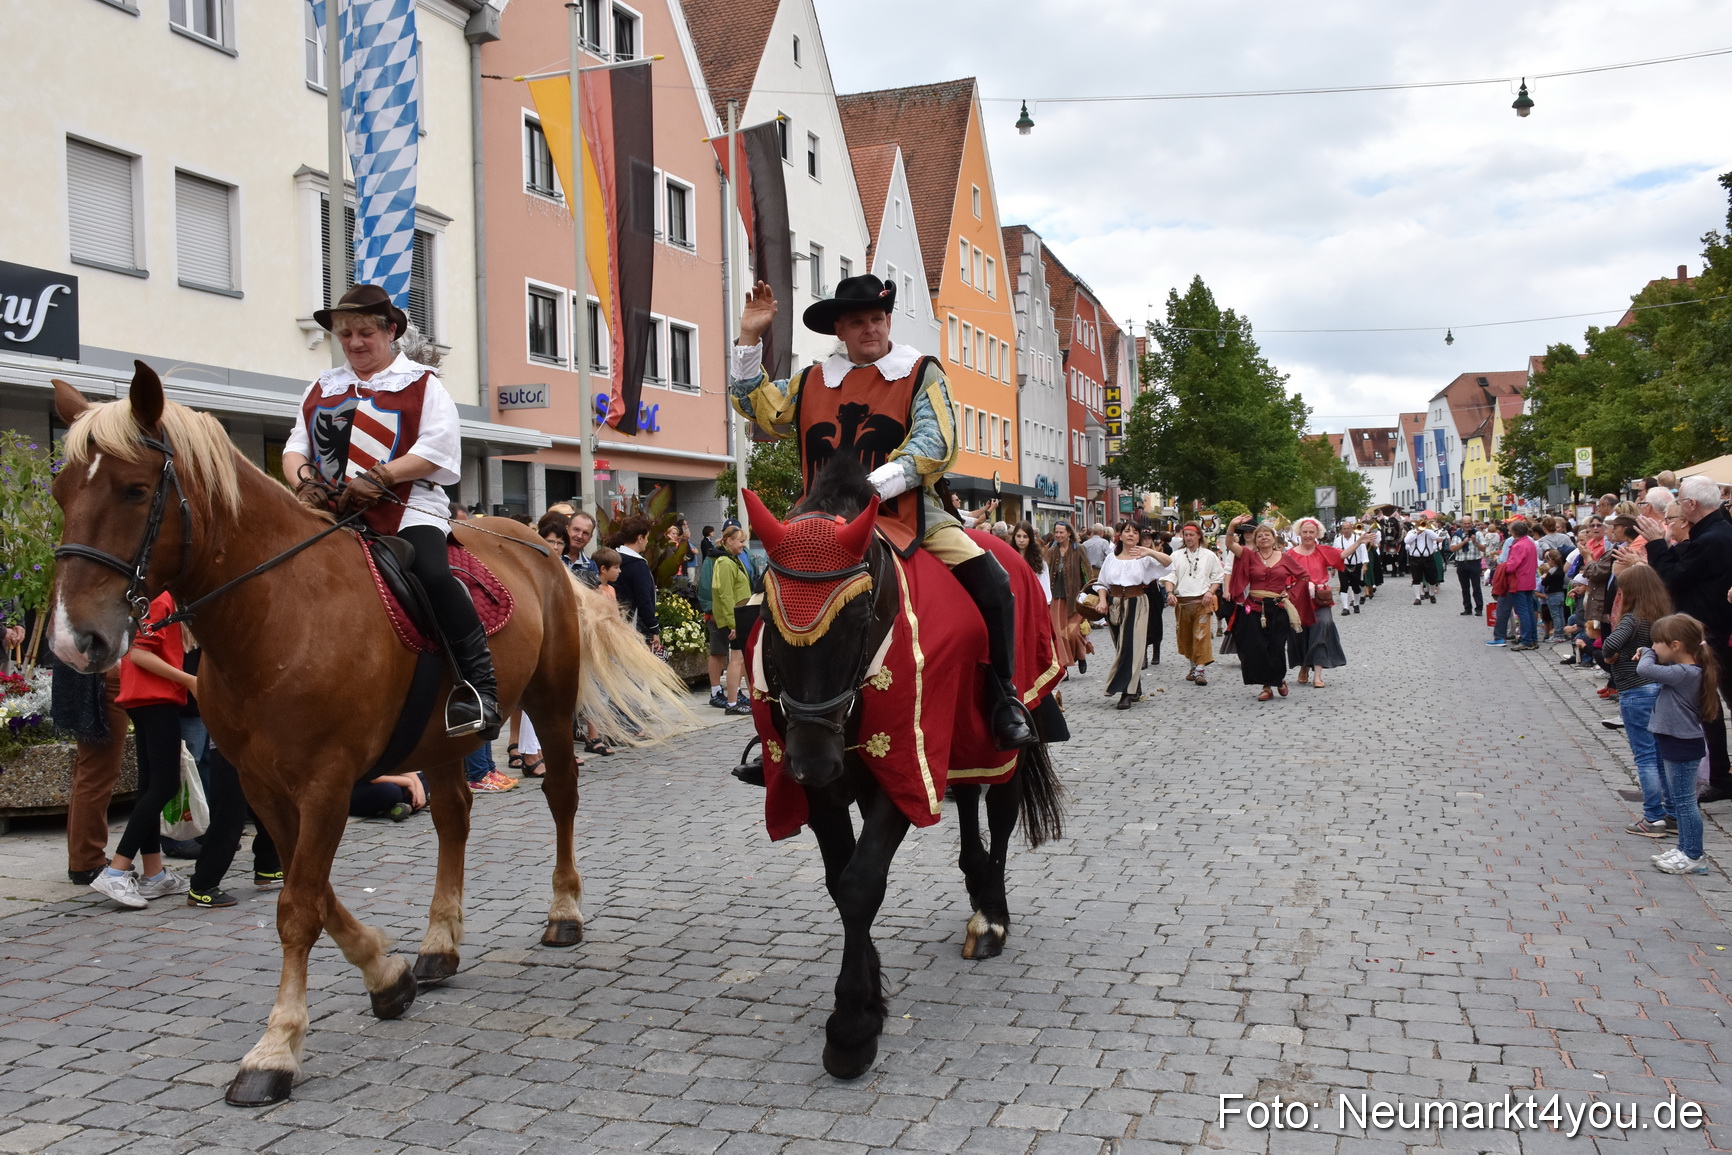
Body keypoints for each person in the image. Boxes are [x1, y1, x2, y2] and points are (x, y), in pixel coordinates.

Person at [729, 274, 1033, 747]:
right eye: (857, 322)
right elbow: (758, 407)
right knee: (756, 608)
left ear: (888, 320)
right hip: (820, 522)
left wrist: (867, 490)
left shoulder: (920, 372)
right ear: (840, 331)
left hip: (907, 510)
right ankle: (775, 724)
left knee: (992, 581)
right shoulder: (812, 380)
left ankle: (1003, 695)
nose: (871, 328)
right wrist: (750, 336)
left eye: (877, 318)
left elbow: (935, 442)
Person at [283, 284, 499, 741]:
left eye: (364, 332)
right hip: (332, 511)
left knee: (433, 575)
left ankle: (479, 687)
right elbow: (295, 448)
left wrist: (380, 478)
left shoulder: (422, 383)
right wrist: (304, 482)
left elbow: (437, 451)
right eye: (346, 335)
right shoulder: (322, 387)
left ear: (390, 331)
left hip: (408, 506)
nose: (355, 343)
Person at [88, 592, 193, 909]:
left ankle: (154, 873)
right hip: (155, 697)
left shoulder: (153, 597)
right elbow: (139, 655)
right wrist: (191, 681)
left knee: (151, 786)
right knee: (165, 784)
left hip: (143, 697)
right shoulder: (161, 599)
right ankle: (117, 870)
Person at [1641, 475, 1732, 803]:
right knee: (1710, 707)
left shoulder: (1715, 537)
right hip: (1710, 627)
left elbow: (1672, 578)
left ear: (1691, 505)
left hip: (1714, 630)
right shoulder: (1713, 532)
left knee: (1711, 705)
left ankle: (1721, 775)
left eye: (1681, 504)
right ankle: (1721, 774)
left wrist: (1655, 545)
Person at [1638, 613, 1719, 874]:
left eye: (1656, 643)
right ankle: (1684, 848)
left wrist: (1645, 652)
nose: (1654, 648)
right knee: (1680, 799)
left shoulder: (1684, 672)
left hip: (1682, 744)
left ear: (1675, 646)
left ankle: (1694, 855)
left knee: (1685, 802)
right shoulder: (1685, 671)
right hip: (1675, 741)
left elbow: (1644, 669)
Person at [1601, 565, 1675, 839]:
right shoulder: (1662, 617)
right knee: (1661, 755)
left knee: (1645, 757)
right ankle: (1673, 814)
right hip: (1659, 689)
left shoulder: (1633, 619)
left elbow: (1610, 644)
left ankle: (1653, 817)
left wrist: (1612, 658)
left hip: (1636, 691)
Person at [1224, 516, 1305, 701]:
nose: (1263, 538)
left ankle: (1279, 679)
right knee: (1258, 648)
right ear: (1256, 539)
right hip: (1254, 607)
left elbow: (1303, 576)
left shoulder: (1285, 558)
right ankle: (1267, 687)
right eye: (1259, 536)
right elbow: (1229, 544)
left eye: (1267, 534)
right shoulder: (1248, 555)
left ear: (1274, 538)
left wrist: (1290, 593)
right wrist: (1232, 525)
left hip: (1278, 607)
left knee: (1276, 647)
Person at [1286, 517, 1370, 689]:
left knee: (1323, 627)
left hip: (1320, 599)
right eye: (1305, 532)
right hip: (1298, 600)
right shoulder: (1291, 554)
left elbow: (1342, 555)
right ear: (1299, 534)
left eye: (1311, 532)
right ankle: (1303, 666)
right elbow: (1283, 574)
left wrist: (1360, 542)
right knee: (1300, 634)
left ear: (1318, 534)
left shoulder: (1322, 551)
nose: (1308, 535)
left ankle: (1317, 674)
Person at [1091, 523, 1168, 709]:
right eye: (1127, 531)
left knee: (1130, 646)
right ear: (1120, 535)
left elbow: (1168, 563)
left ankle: (1125, 692)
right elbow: (1101, 583)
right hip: (1115, 603)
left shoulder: (1143, 558)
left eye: (1135, 532)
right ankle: (1136, 686)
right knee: (1120, 646)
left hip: (1137, 602)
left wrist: (1149, 552)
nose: (1131, 535)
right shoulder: (1111, 558)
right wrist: (1102, 601)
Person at [1162, 523, 1225, 686]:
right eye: (1186, 535)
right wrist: (1169, 593)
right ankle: (1193, 667)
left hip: (1202, 602)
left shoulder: (1209, 555)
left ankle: (1200, 670)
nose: (1188, 538)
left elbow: (1217, 577)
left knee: (1201, 635)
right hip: (1182, 603)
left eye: (1191, 535)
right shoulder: (1176, 556)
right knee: (1186, 637)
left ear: (1199, 536)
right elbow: (1170, 576)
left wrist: (1210, 592)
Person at [710, 526, 754, 716]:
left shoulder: (732, 560)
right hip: (736, 617)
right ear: (729, 541)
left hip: (741, 615)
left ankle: (737, 698)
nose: (743, 544)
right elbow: (725, 594)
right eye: (740, 541)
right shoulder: (726, 563)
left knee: (741, 658)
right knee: (736, 660)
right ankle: (732, 702)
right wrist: (733, 623)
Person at [605, 514, 662, 651]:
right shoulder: (638, 565)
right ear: (640, 538)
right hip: (634, 627)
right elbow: (643, 600)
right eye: (646, 537)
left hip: (613, 624)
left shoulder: (612, 559)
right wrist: (654, 628)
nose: (647, 541)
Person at [1044, 521, 1094, 675]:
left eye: (1061, 532)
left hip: (1074, 598)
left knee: (1073, 632)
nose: (1058, 535)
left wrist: (1090, 593)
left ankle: (1081, 654)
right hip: (1056, 598)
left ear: (1069, 533)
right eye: (1056, 532)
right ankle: (1063, 666)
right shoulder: (1051, 551)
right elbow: (1043, 572)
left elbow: (1088, 572)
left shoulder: (1078, 549)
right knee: (1058, 634)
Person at [1447, 517, 1488, 616]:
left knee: (1476, 587)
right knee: (1465, 588)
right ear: (1462, 523)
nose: (1467, 525)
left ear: (1472, 523)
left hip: (1474, 562)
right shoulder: (1457, 534)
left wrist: (1475, 542)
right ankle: (1467, 608)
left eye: (1469, 523)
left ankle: (1479, 608)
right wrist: (1464, 542)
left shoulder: (1477, 533)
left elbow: (1484, 549)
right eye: (1465, 523)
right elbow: (1452, 548)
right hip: (1462, 563)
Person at [1332, 518, 1368, 614]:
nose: (1346, 530)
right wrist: (1333, 568)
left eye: (1348, 528)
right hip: (1343, 566)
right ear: (1342, 530)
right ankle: (1345, 608)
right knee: (1343, 586)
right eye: (1344, 528)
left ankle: (1356, 603)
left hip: (1356, 566)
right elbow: (1334, 554)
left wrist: (1365, 564)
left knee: (1356, 587)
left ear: (1352, 529)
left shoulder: (1358, 539)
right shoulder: (1338, 540)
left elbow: (1363, 552)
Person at [1404, 519, 1442, 604]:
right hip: (1415, 558)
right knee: (1416, 578)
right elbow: (1406, 541)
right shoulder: (1411, 532)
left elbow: (1437, 538)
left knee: (1432, 578)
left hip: (1428, 558)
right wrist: (1417, 533)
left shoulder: (1429, 532)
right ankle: (1417, 598)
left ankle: (1431, 594)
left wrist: (1425, 530)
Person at [1010, 522, 1050, 600]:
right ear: (1014, 537)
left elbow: (1044, 589)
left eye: (1025, 537)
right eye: (1018, 536)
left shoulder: (1038, 561)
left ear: (1030, 538)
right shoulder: (1008, 556)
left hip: (1032, 600)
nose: (1021, 540)